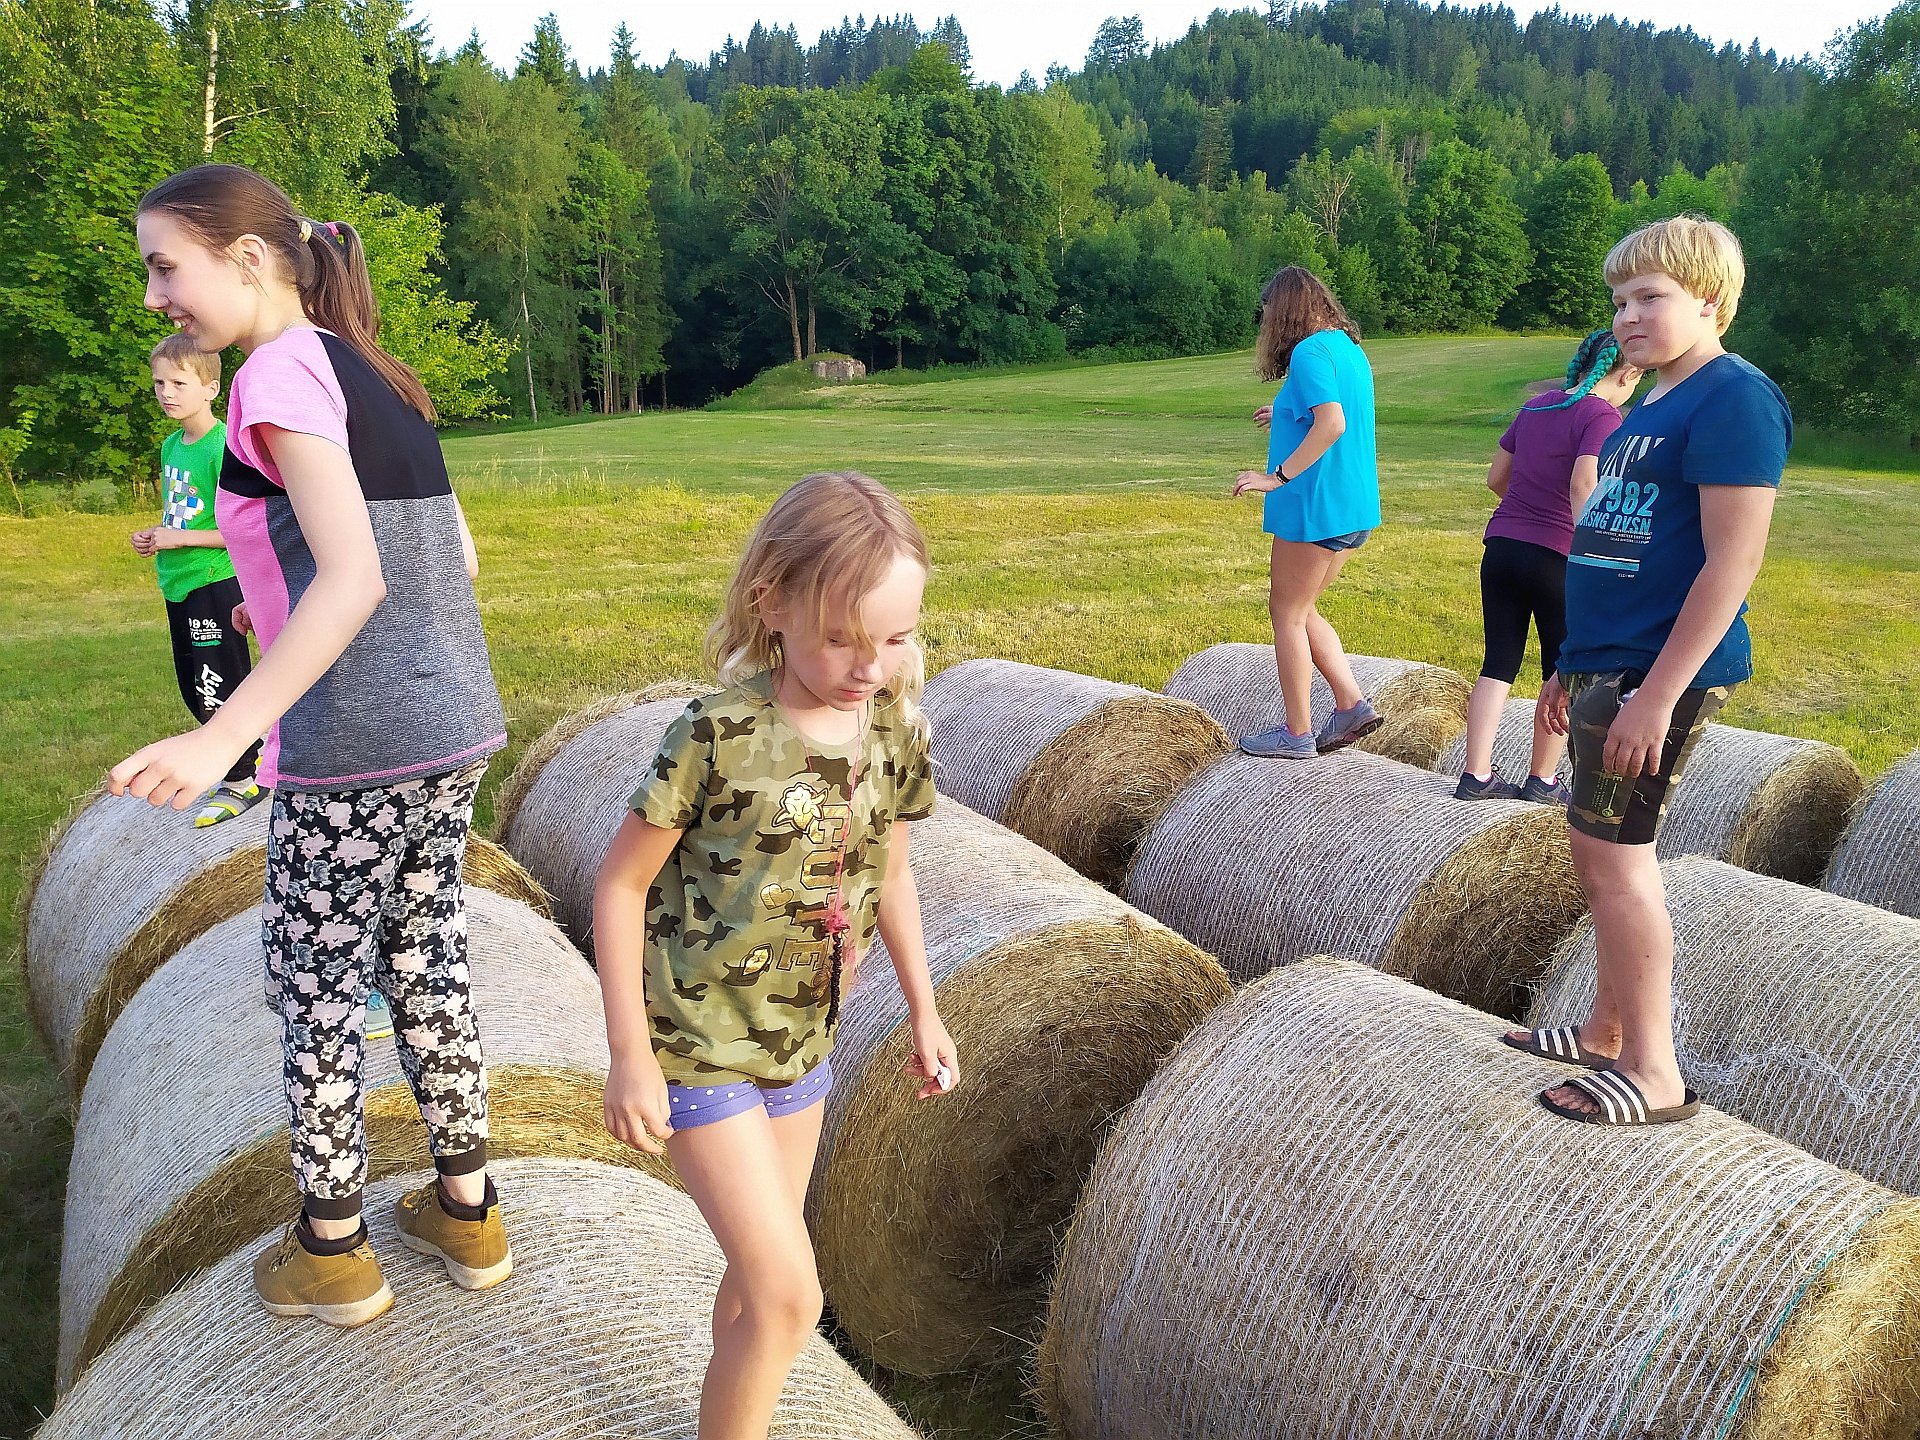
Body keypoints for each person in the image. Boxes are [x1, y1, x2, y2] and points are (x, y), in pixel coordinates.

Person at [109, 162, 508, 1322]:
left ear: (247, 257)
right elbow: (450, 561)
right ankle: (468, 1210)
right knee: (426, 960)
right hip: (451, 724)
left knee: (318, 987)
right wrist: (272, 606)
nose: (154, 298)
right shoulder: (369, 366)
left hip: (354, 744)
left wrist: (224, 734)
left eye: (164, 267)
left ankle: (333, 1247)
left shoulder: (276, 374)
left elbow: (357, 577)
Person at [595, 470, 958, 1440]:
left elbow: (892, 871)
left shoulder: (891, 732)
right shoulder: (716, 736)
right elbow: (620, 885)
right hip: (696, 1040)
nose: (869, 665)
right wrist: (629, 1054)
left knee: (757, 1293)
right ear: (773, 604)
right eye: (842, 638)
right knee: (794, 1298)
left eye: (894, 638)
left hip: (801, 1045)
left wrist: (925, 1010)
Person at [1506, 217, 1790, 1125]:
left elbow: (1732, 564)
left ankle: (1655, 1073)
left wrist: (1655, 695)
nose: (1625, 316)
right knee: (1598, 857)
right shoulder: (1651, 406)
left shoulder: (1733, 400)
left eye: (1648, 297)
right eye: (1618, 300)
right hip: (1609, 664)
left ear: (1710, 300)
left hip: (1653, 673)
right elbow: (1614, 546)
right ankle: (1605, 1032)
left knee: (1616, 863)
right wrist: (1570, 665)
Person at [1455, 332, 1643, 802]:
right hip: (1557, 556)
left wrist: (1525, 514)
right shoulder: (1602, 414)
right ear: (1629, 374)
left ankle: (1475, 775)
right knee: (1559, 667)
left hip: (1502, 547)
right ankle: (1542, 780)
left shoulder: (1536, 407)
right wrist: (1591, 546)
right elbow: (1584, 482)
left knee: (1498, 661)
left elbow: (1496, 478)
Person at [1232, 266, 1383, 759]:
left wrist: (1275, 477)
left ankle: (1296, 734)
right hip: (1353, 508)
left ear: (1285, 310)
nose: (1267, 322)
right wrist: (1281, 412)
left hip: (1316, 507)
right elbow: (1331, 407)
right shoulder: (1347, 348)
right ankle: (1351, 705)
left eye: (1268, 311)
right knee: (1303, 607)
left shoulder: (1308, 351)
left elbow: (1332, 423)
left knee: (1287, 613)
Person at [130, 333, 264, 826]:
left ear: (211, 388)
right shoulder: (172, 445)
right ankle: (248, 758)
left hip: (214, 581)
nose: (166, 393)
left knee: (217, 684)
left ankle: (244, 778)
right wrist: (158, 536)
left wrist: (181, 539)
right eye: (159, 383)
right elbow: (185, 516)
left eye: (179, 383)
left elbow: (243, 529)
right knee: (192, 685)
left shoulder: (223, 447)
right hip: (178, 581)